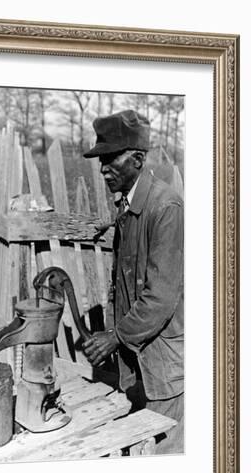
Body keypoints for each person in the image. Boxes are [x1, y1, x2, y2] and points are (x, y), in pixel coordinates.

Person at [82, 109, 184, 454]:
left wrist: (115, 336)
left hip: (162, 364)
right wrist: (111, 222)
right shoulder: (129, 205)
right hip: (137, 360)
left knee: (165, 458)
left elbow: (160, 298)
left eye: (111, 158)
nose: (102, 168)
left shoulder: (166, 206)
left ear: (138, 159)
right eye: (100, 159)